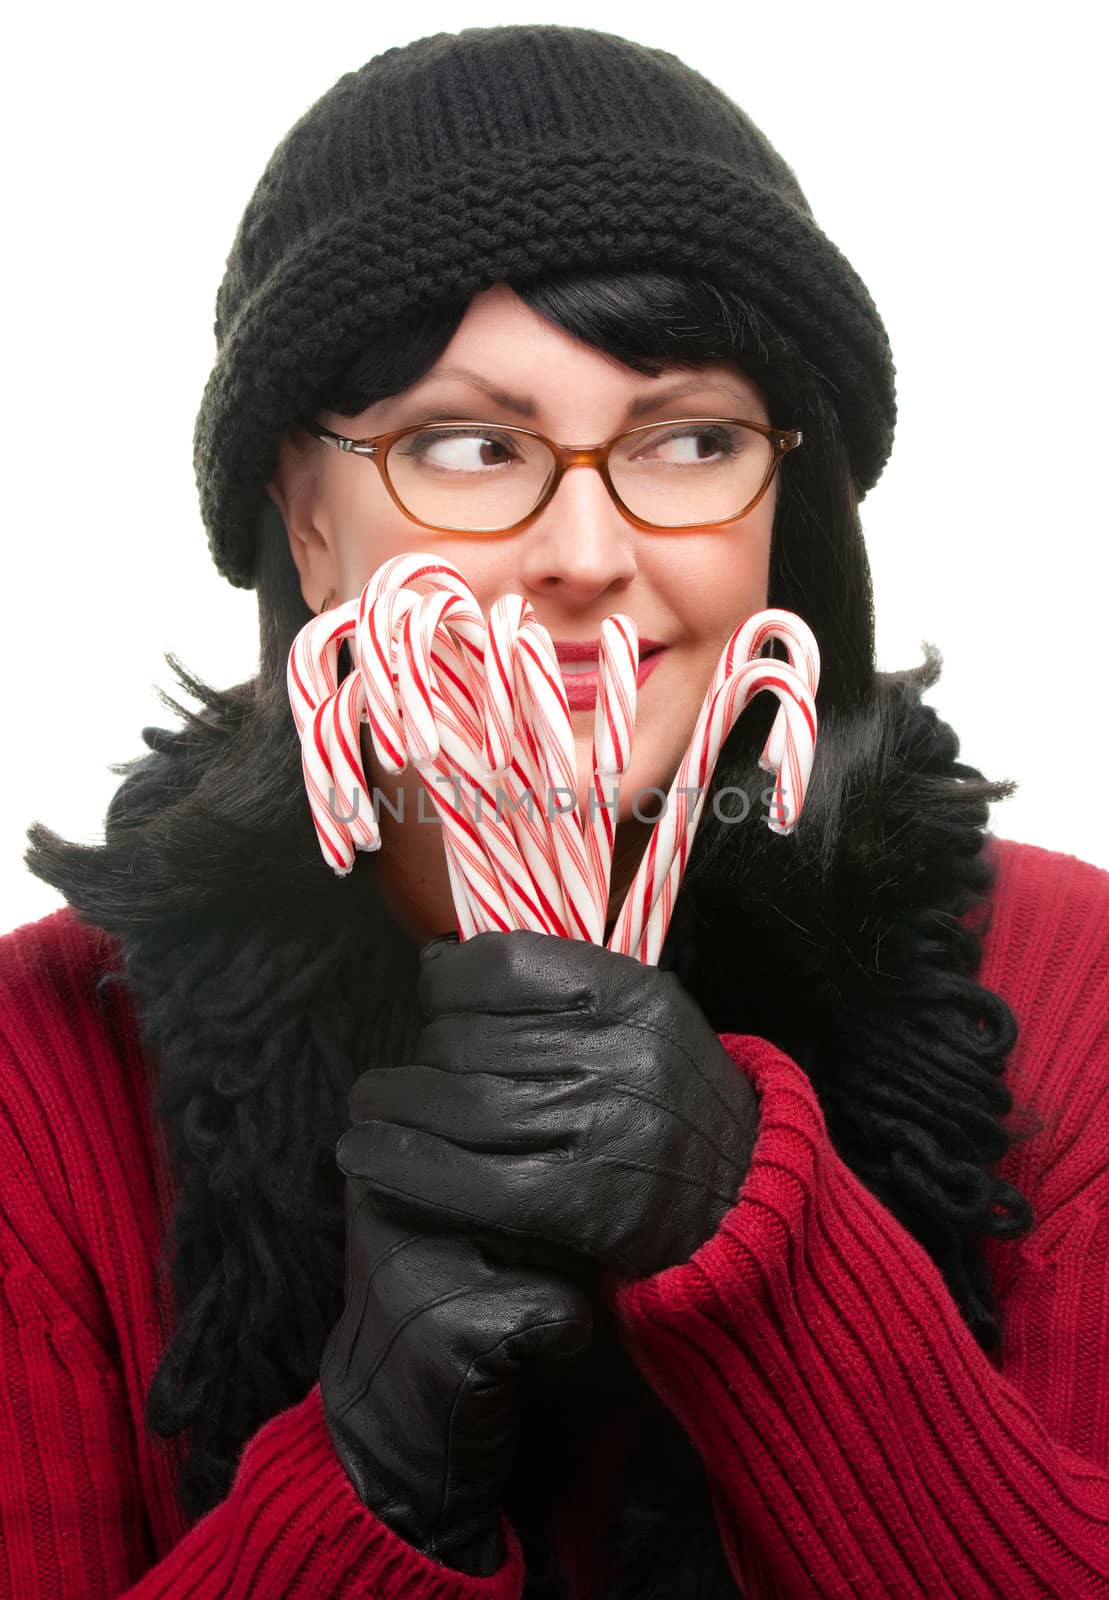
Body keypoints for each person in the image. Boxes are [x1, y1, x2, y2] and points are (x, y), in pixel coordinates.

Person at [1, 23, 1106, 1600]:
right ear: (304, 527)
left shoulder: (1066, 990)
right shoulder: (38, 1077)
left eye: (689, 439)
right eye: (469, 444)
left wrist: (761, 1251)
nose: (584, 547)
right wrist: (369, 1472)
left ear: (788, 510)